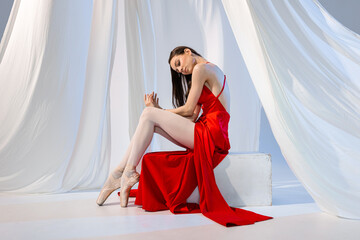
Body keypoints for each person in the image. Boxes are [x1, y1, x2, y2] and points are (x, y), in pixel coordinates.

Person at [96, 46, 272, 226]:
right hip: (209, 130)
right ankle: (120, 172)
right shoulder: (208, 70)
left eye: (178, 64)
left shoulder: (200, 69)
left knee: (148, 115)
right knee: (149, 121)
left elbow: (188, 110)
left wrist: (158, 111)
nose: (181, 70)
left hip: (212, 134)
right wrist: (158, 113)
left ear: (187, 51)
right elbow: (192, 115)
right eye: (177, 70)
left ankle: (126, 172)